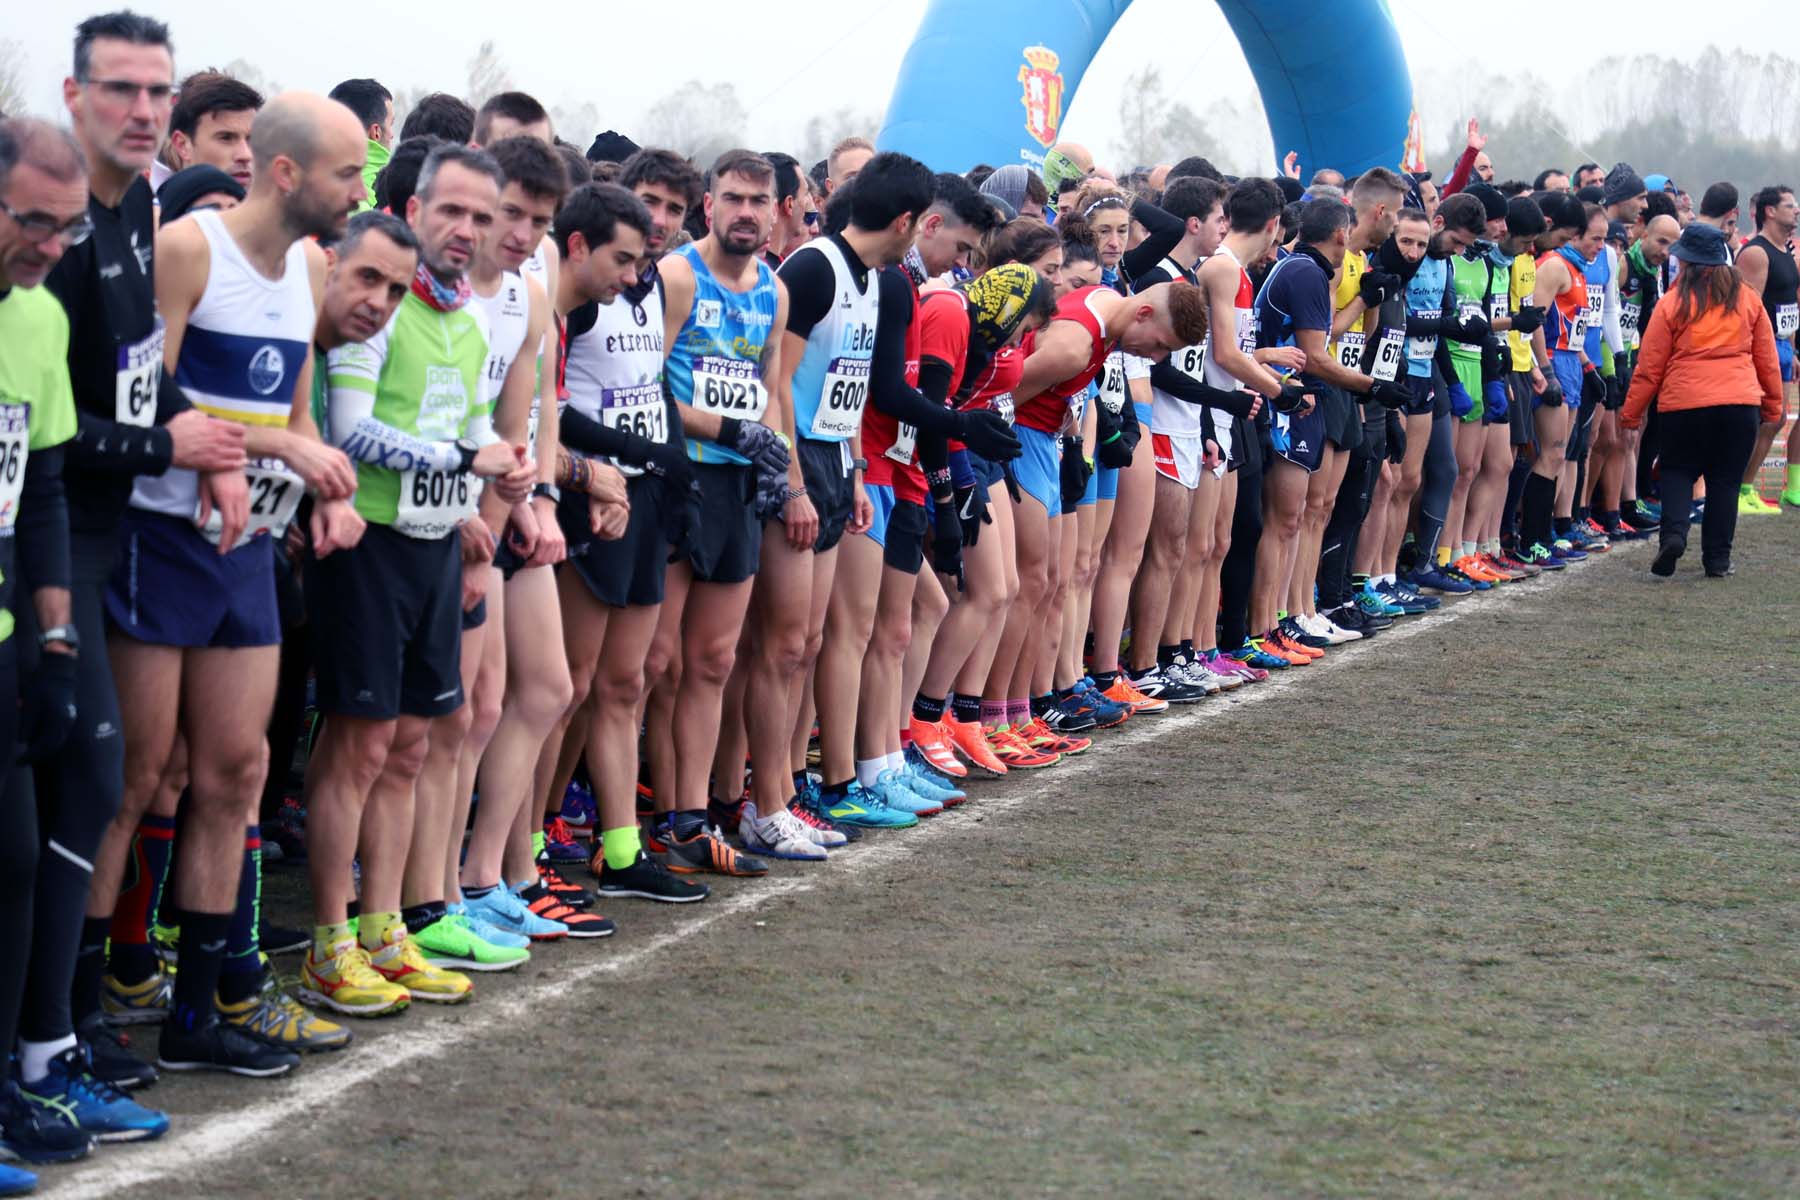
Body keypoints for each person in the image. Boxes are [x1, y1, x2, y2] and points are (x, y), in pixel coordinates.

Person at [307, 143, 537, 1017]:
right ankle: (330, 944)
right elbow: (351, 427)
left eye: (485, 217)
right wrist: (461, 455)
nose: (469, 231)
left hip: (437, 547)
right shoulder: (381, 306)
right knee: (359, 747)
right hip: (366, 545)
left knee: (409, 748)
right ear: (413, 208)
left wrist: (499, 480)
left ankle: (384, 928)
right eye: (454, 212)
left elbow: (472, 421)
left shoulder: (468, 318)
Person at [0, 114, 112, 1178]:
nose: (47, 246)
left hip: (8, 637)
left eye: (66, 229)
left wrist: (58, 641)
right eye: (31, 221)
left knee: (16, 861)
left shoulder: (36, 318)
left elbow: (38, 495)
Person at [1623, 222, 1782, 576]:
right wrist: (1772, 406)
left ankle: (1674, 536)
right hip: (1739, 405)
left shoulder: (1671, 303)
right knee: (1725, 482)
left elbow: (1650, 366)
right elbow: (1767, 360)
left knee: (1678, 472)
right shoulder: (1748, 300)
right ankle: (1717, 560)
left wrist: (1630, 415)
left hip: (1684, 404)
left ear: (1685, 263)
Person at [1732, 186, 1797, 515]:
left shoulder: (1784, 251)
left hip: (1782, 344)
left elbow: (1789, 305)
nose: (1796, 210)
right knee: (1762, 418)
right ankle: (1737, 488)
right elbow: (1748, 308)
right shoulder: (1756, 253)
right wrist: (1756, 351)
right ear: (1769, 211)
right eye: (1789, 205)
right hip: (1763, 345)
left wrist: (1792, 349)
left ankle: (1746, 487)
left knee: (1777, 418)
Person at [159, 73, 261, 192]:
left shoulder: (279, 208)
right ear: (182, 145)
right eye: (226, 138)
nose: (245, 155)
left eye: (251, 139)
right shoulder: (143, 207)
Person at [327, 78, 394, 209]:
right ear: (376, 132)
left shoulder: (310, 193)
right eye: (391, 124)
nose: (392, 135)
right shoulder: (367, 208)